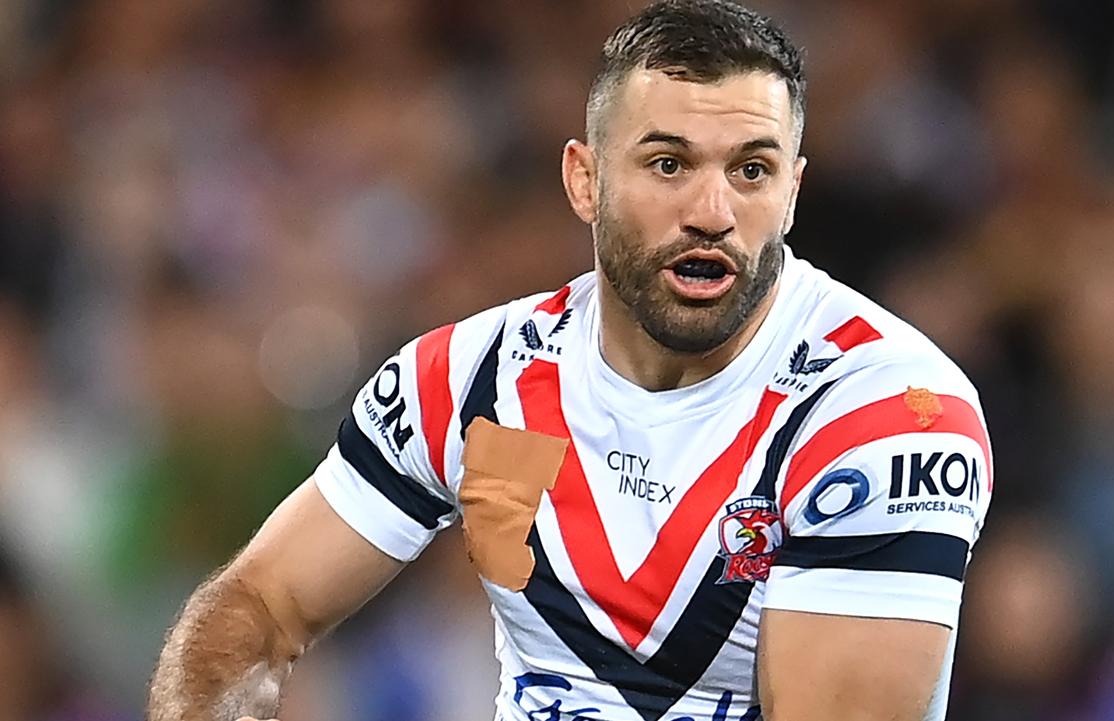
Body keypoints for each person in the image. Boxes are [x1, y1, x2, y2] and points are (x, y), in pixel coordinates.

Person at [145, 2, 993, 720]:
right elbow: (258, 606)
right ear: (584, 181)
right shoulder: (471, 382)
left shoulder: (887, 417)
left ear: (794, 192)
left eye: (752, 171)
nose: (712, 210)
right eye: (668, 164)